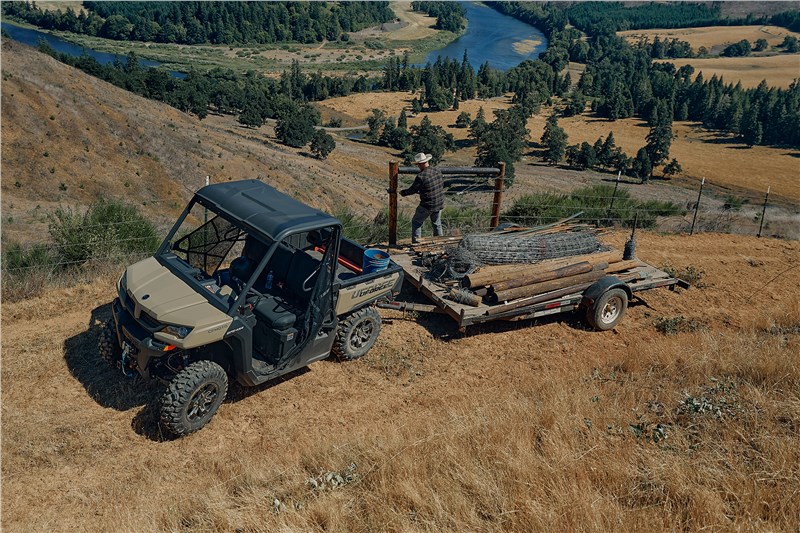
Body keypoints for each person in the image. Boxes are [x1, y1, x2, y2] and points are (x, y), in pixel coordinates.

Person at [400, 152, 444, 244]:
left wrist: (403, 193)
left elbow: (412, 190)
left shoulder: (421, 176)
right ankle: (440, 242)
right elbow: (439, 185)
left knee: (416, 222)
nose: (418, 166)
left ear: (420, 164)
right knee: (437, 223)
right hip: (439, 202)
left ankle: (416, 243)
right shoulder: (437, 170)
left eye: (418, 164)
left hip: (428, 205)